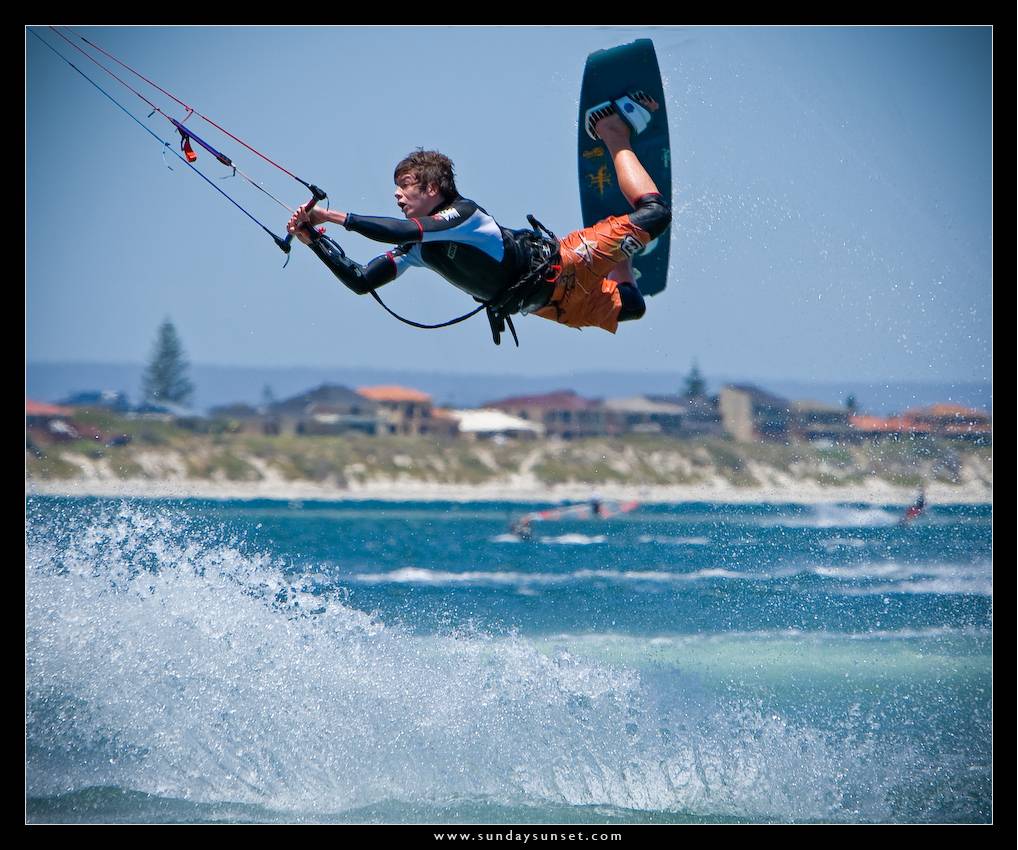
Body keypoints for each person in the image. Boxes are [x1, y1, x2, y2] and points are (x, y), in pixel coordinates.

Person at [286, 93, 671, 341]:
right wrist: (314, 240)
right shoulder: (418, 249)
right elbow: (361, 280)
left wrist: (329, 217)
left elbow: (402, 230)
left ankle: (612, 131)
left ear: (432, 190)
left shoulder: (464, 215)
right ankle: (616, 243)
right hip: (546, 304)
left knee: (655, 215)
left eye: (406, 186)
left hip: (563, 263)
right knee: (633, 306)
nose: (396, 195)